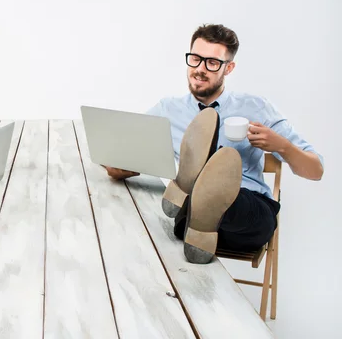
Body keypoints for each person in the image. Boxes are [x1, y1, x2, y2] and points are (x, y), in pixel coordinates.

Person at [105, 24, 323, 264]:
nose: (200, 69)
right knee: (191, 210)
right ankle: (194, 188)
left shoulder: (255, 107)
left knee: (228, 199)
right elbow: (127, 151)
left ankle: (198, 186)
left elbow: (315, 170)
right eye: (196, 59)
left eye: (212, 63)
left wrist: (281, 145)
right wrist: (120, 167)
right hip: (189, 222)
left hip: (246, 216)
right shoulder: (167, 109)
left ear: (228, 68)